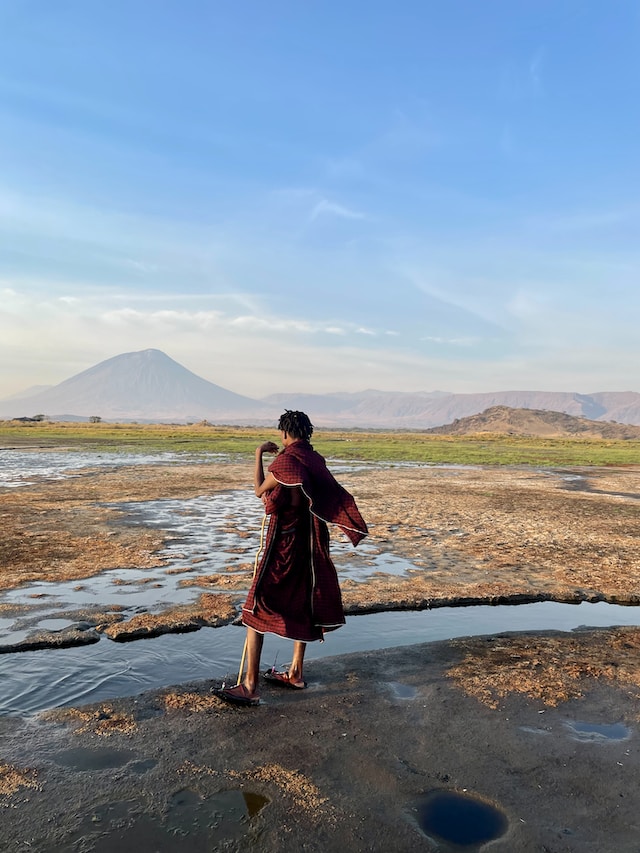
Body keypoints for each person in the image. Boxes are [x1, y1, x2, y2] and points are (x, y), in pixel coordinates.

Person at [221, 410, 368, 706]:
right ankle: (296, 672)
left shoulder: (286, 462)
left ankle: (249, 685)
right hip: (310, 546)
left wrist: (259, 453)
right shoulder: (315, 461)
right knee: (305, 600)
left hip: (282, 547)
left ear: (286, 433)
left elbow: (260, 492)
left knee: (255, 607)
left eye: (280, 434)